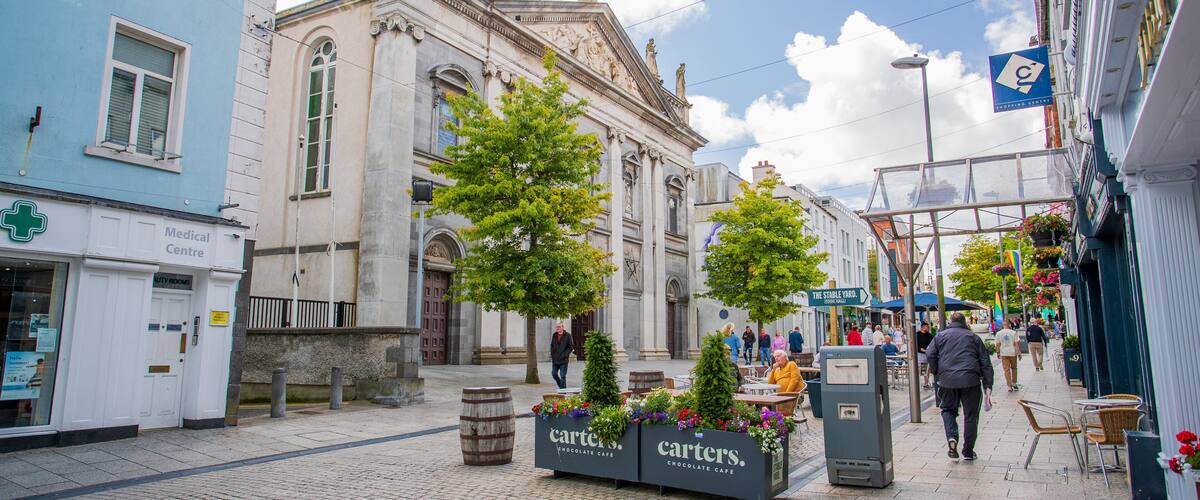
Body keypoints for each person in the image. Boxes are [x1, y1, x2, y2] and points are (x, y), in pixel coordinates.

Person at [926, 312, 994, 461]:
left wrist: (938, 370)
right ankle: (968, 451)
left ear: (951, 321)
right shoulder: (973, 337)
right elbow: (985, 362)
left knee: (948, 410)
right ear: (965, 322)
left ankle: (952, 437)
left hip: (947, 380)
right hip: (971, 380)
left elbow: (930, 353)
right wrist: (988, 384)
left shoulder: (940, 336)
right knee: (971, 415)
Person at [995, 323, 1021, 391]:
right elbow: (1017, 343)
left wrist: (998, 352)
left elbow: (998, 344)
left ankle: (1009, 386)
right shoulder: (1013, 332)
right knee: (1014, 368)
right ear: (1009, 326)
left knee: (1006, 370)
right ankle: (1014, 383)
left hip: (1004, 353)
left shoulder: (999, 333)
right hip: (1013, 353)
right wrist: (1019, 353)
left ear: (1003, 326)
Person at [550, 322, 573, 389]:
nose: (557, 328)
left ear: (563, 327)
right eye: (557, 327)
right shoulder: (554, 335)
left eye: (559, 327)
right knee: (554, 374)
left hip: (563, 360)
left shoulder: (568, 335)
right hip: (555, 360)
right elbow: (552, 345)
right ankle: (562, 387)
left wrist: (565, 355)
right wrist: (552, 354)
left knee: (562, 375)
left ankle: (562, 391)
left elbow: (570, 347)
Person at [916, 323, 935, 388]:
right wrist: (921, 349)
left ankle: (927, 382)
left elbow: (933, 343)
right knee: (922, 368)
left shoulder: (929, 335)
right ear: (923, 327)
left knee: (928, 369)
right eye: (927, 327)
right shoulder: (917, 335)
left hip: (929, 353)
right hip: (921, 354)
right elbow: (915, 345)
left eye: (928, 327)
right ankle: (923, 383)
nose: (928, 328)